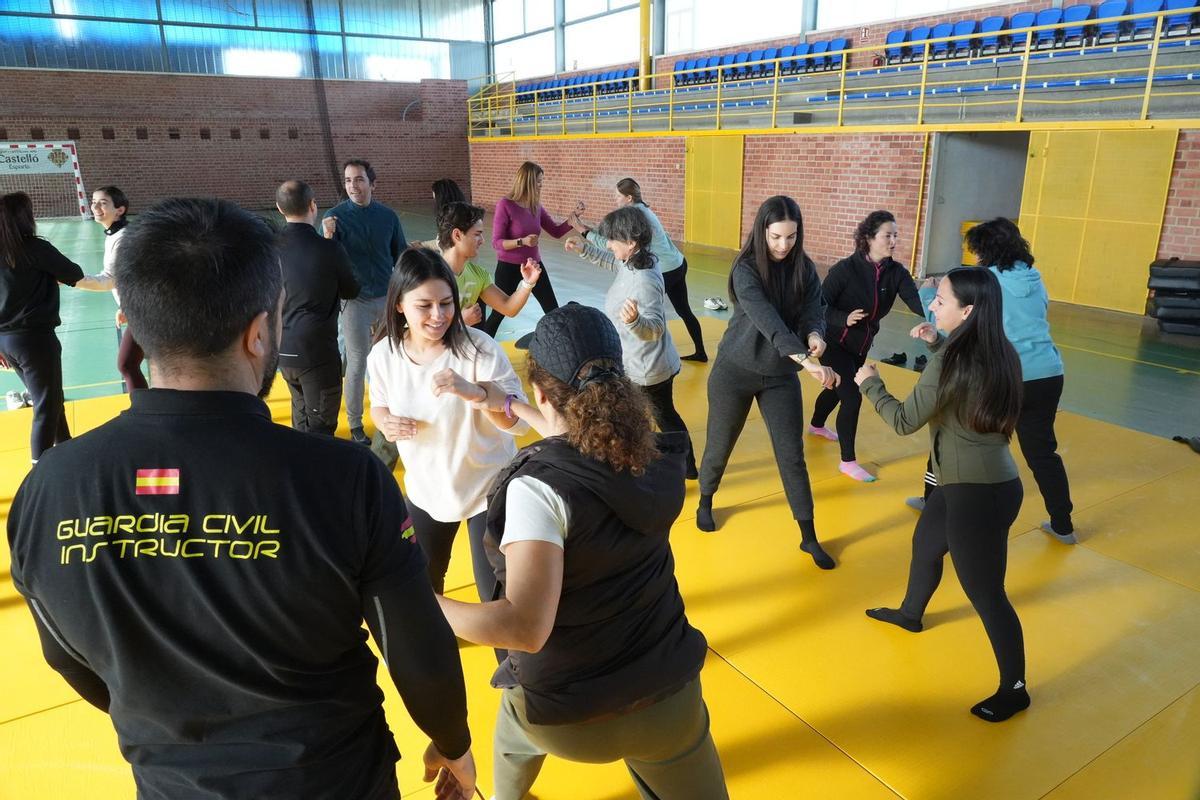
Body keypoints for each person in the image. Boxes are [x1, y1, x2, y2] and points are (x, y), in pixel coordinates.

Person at [6, 197, 477, 798]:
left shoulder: (48, 489)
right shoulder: (344, 480)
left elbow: (68, 657)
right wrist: (453, 741)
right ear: (260, 334)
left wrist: (163, 727)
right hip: (333, 779)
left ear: (139, 324)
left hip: (172, 782)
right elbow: (416, 646)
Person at [435, 304, 729, 800]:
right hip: (667, 698)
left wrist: (415, 600)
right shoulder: (651, 455)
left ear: (543, 392)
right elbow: (580, 441)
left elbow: (524, 628)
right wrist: (510, 406)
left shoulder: (539, 491)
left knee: (511, 729)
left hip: (568, 718)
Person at [856, 267, 1029, 723]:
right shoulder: (996, 349)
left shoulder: (952, 360)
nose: (932, 303)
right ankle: (911, 613)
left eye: (942, 299)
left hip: (977, 495)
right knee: (926, 544)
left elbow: (903, 421)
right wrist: (937, 341)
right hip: (973, 484)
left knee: (987, 594)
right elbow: (962, 383)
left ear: (967, 311)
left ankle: (1015, 688)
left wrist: (869, 381)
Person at [367, 247, 528, 600]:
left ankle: (509, 658)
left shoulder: (480, 349)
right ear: (399, 305)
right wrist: (387, 423)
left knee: (498, 600)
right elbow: (379, 406)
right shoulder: (384, 355)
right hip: (427, 489)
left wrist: (476, 393)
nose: (438, 315)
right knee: (422, 588)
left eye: (446, 303)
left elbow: (519, 425)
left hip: (488, 489)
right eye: (424, 306)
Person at [694, 196, 840, 570]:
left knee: (792, 455)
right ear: (762, 231)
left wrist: (816, 334)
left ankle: (808, 537)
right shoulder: (745, 269)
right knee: (719, 445)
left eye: (791, 237)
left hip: (780, 376)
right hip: (735, 370)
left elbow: (814, 309)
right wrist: (807, 361)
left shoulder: (803, 268)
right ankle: (706, 499)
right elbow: (769, 322)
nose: (783, 245)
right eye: (776, 236)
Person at [915, 218, 1076, 543]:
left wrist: (930, 292)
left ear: (986, 250)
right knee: (1042, 451)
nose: (974, 257)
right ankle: (1063, 524)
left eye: (975, 251)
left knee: (949, 432)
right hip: (1047, 373)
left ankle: (932, 501)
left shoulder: (987, 281)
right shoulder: (1034, 278)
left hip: (1002, 374)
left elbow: (952, 325)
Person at [564, 206, 697, 478]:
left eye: (613, 239)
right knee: (658, 417)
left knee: (662, 418)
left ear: (632, 242)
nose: (609, 243)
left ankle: (684, 467)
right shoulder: (636, 260)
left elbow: (656, 328)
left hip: (649, 369)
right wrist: (585, 250)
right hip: (637, 361)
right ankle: (675, 464)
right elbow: (614, 262)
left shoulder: (644, 280)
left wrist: (636, 321)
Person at [808, 210, 924, 482]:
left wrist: (940, 313)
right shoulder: (845, 270)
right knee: (851, 396)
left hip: (860, 346)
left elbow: (915, 301)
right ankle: (847, 462)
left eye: (896, 235)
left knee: (838, 390)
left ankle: (816, 425)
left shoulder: (896, 273)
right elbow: (817, 307)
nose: (894, 240)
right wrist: (842, 318)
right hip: (833, 342)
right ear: (869, 238)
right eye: (888, 235)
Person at [571, 178, 707, 362]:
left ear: (628, 198)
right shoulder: (642, 210)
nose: (615, 199)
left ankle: (644, 357)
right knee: (684, 311)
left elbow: (610, 245)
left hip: (665, 269)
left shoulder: (635, 215)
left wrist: (582, 230)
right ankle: (701, 352)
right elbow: (614, 238)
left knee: (641, 313)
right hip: (677, 263)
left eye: (617, 196)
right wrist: (587, 230)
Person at [322, 159, 406, 445]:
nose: (353, 186)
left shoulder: (388, 217)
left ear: (372, 183)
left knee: (391, 357)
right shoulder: (334, 218)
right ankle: (356, 422)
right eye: (347, 180)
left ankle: (391, 414)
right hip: (354, 300)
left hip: (385, 297)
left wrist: (405, 293)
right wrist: (328, 237)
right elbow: (329, 261)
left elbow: (400, 256)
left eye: (358, 179)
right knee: (358, 362)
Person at [0, 191, 83, 462]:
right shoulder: (34, 249)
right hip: (34, 340)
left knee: (50, 397)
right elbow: (74, 273)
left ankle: (66, 448)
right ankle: (41, 471)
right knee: (46, 405)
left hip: (6, 343)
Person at [276, 179, 360, 435]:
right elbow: (351, 290)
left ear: (280, 209)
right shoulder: (329, 249)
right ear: (313, 205)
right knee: (322, 428)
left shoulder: (269, 248)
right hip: (317, 353)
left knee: (300, 416)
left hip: (282, 349)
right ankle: (318, 473)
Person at [482, 161, 582, 337]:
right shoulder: (505, 205)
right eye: (538, 181)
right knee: (499, 313)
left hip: (534, 266)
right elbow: (497, 242)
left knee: (552, 310)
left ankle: (564, 349)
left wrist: (573, 218)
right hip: (509, 267)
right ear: (527, 181)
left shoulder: (536, 206)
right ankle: (481, 347)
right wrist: (522, 242)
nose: (541, 184)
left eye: (542, 180)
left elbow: (556, 231)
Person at [75, 186, 148, 392]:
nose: (95, 206)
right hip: (139, 308)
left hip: (148, 310)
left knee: (127, 364)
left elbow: (109, 280)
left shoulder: (123, 238)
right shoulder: (115, 235)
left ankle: (144, 411)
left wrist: (71, 279)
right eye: (94, 201)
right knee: (132, 364)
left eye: (103, 202)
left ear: (120, 210)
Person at [436, 201, 542, 330]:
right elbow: (417, 332)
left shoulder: (478, 275)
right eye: (477, 234)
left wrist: (527, 283)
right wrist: (460, 322)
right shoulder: (429, 276)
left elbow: (509, 308)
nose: (482, 240)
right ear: (457, 235)